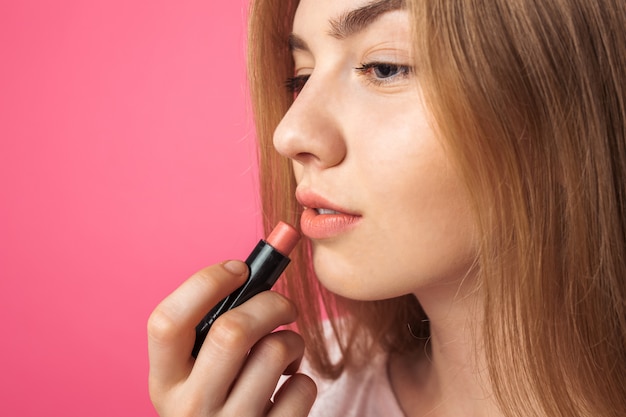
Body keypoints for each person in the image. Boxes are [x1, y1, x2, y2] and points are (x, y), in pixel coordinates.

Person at [147, 0, 626, 415]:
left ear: (565, 101)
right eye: (301, 77)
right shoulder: (288, 393)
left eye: (385, 67)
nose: (289, 134)